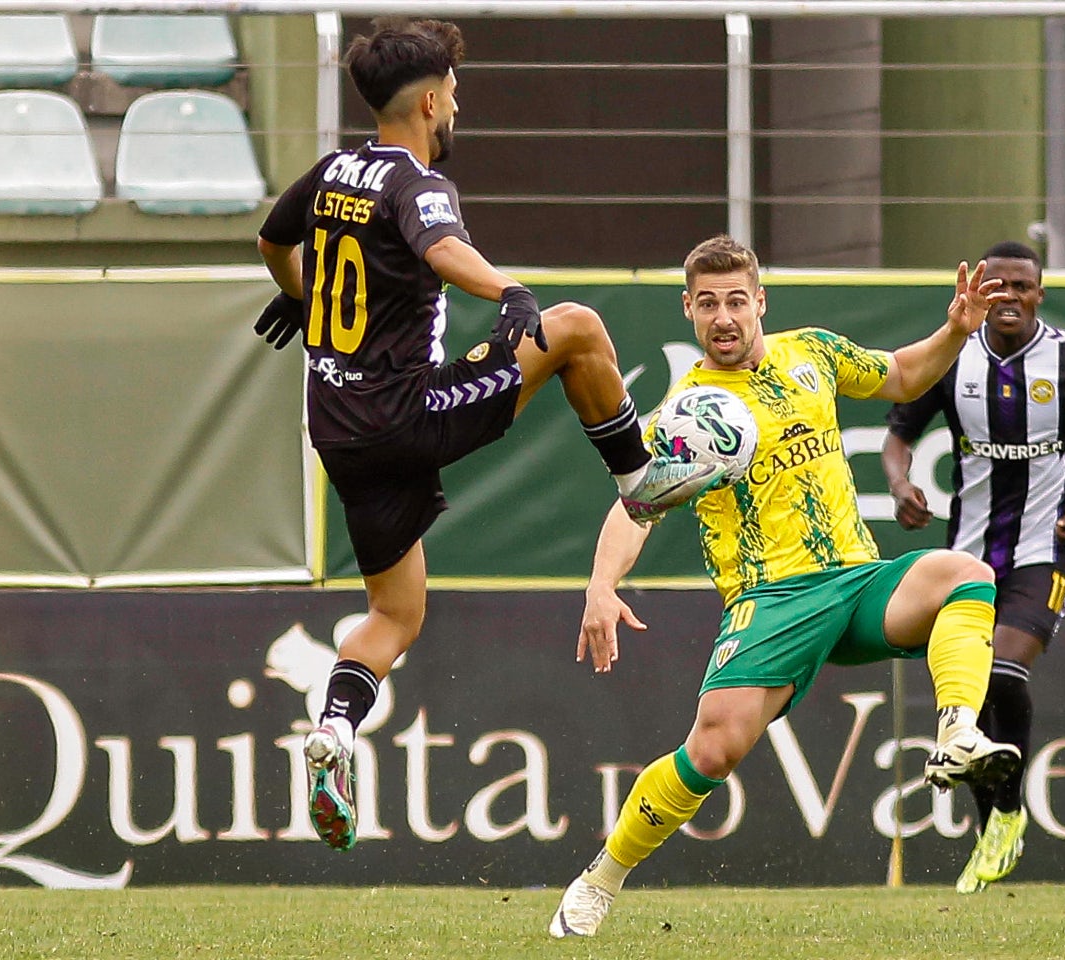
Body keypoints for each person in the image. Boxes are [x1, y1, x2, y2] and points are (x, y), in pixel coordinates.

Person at [253, 18, 720, 853]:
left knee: (394, 614)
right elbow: (440, 245)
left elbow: (271, 239)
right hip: (406, 414)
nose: (457, 106)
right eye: (456, 93)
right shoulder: (414, 178)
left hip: (337, 429)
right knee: (574, 327)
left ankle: (333, 726)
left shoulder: (332, 172)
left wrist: (301, 294)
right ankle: (639, 481)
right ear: (431, 100)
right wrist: (509, 289)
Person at [548, 234, 1020, 939]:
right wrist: (601, 584)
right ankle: (601, 878)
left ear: (760, 301)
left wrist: (954, 331)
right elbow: (636, 500)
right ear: (688, 310)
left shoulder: (816, 354)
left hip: (858, 581)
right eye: (707, 304)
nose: (724, 316)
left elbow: (900, 376)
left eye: (736, 300)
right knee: (712, 752)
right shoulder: (691, 410)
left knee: (965, 575)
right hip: (770, 602)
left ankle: (956, 730)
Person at [882, 240, 1065, 895]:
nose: (1008, 296)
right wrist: (899, 483)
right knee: (965, 705)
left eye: (1021, 286)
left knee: (1001, 670)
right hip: (965, 556)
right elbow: (898, 433)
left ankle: (1005, 816)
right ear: (978, 289)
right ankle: (1000, 819)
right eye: (996, 284)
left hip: (1045, 544)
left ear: (1039, 295)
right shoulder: (952, 360)